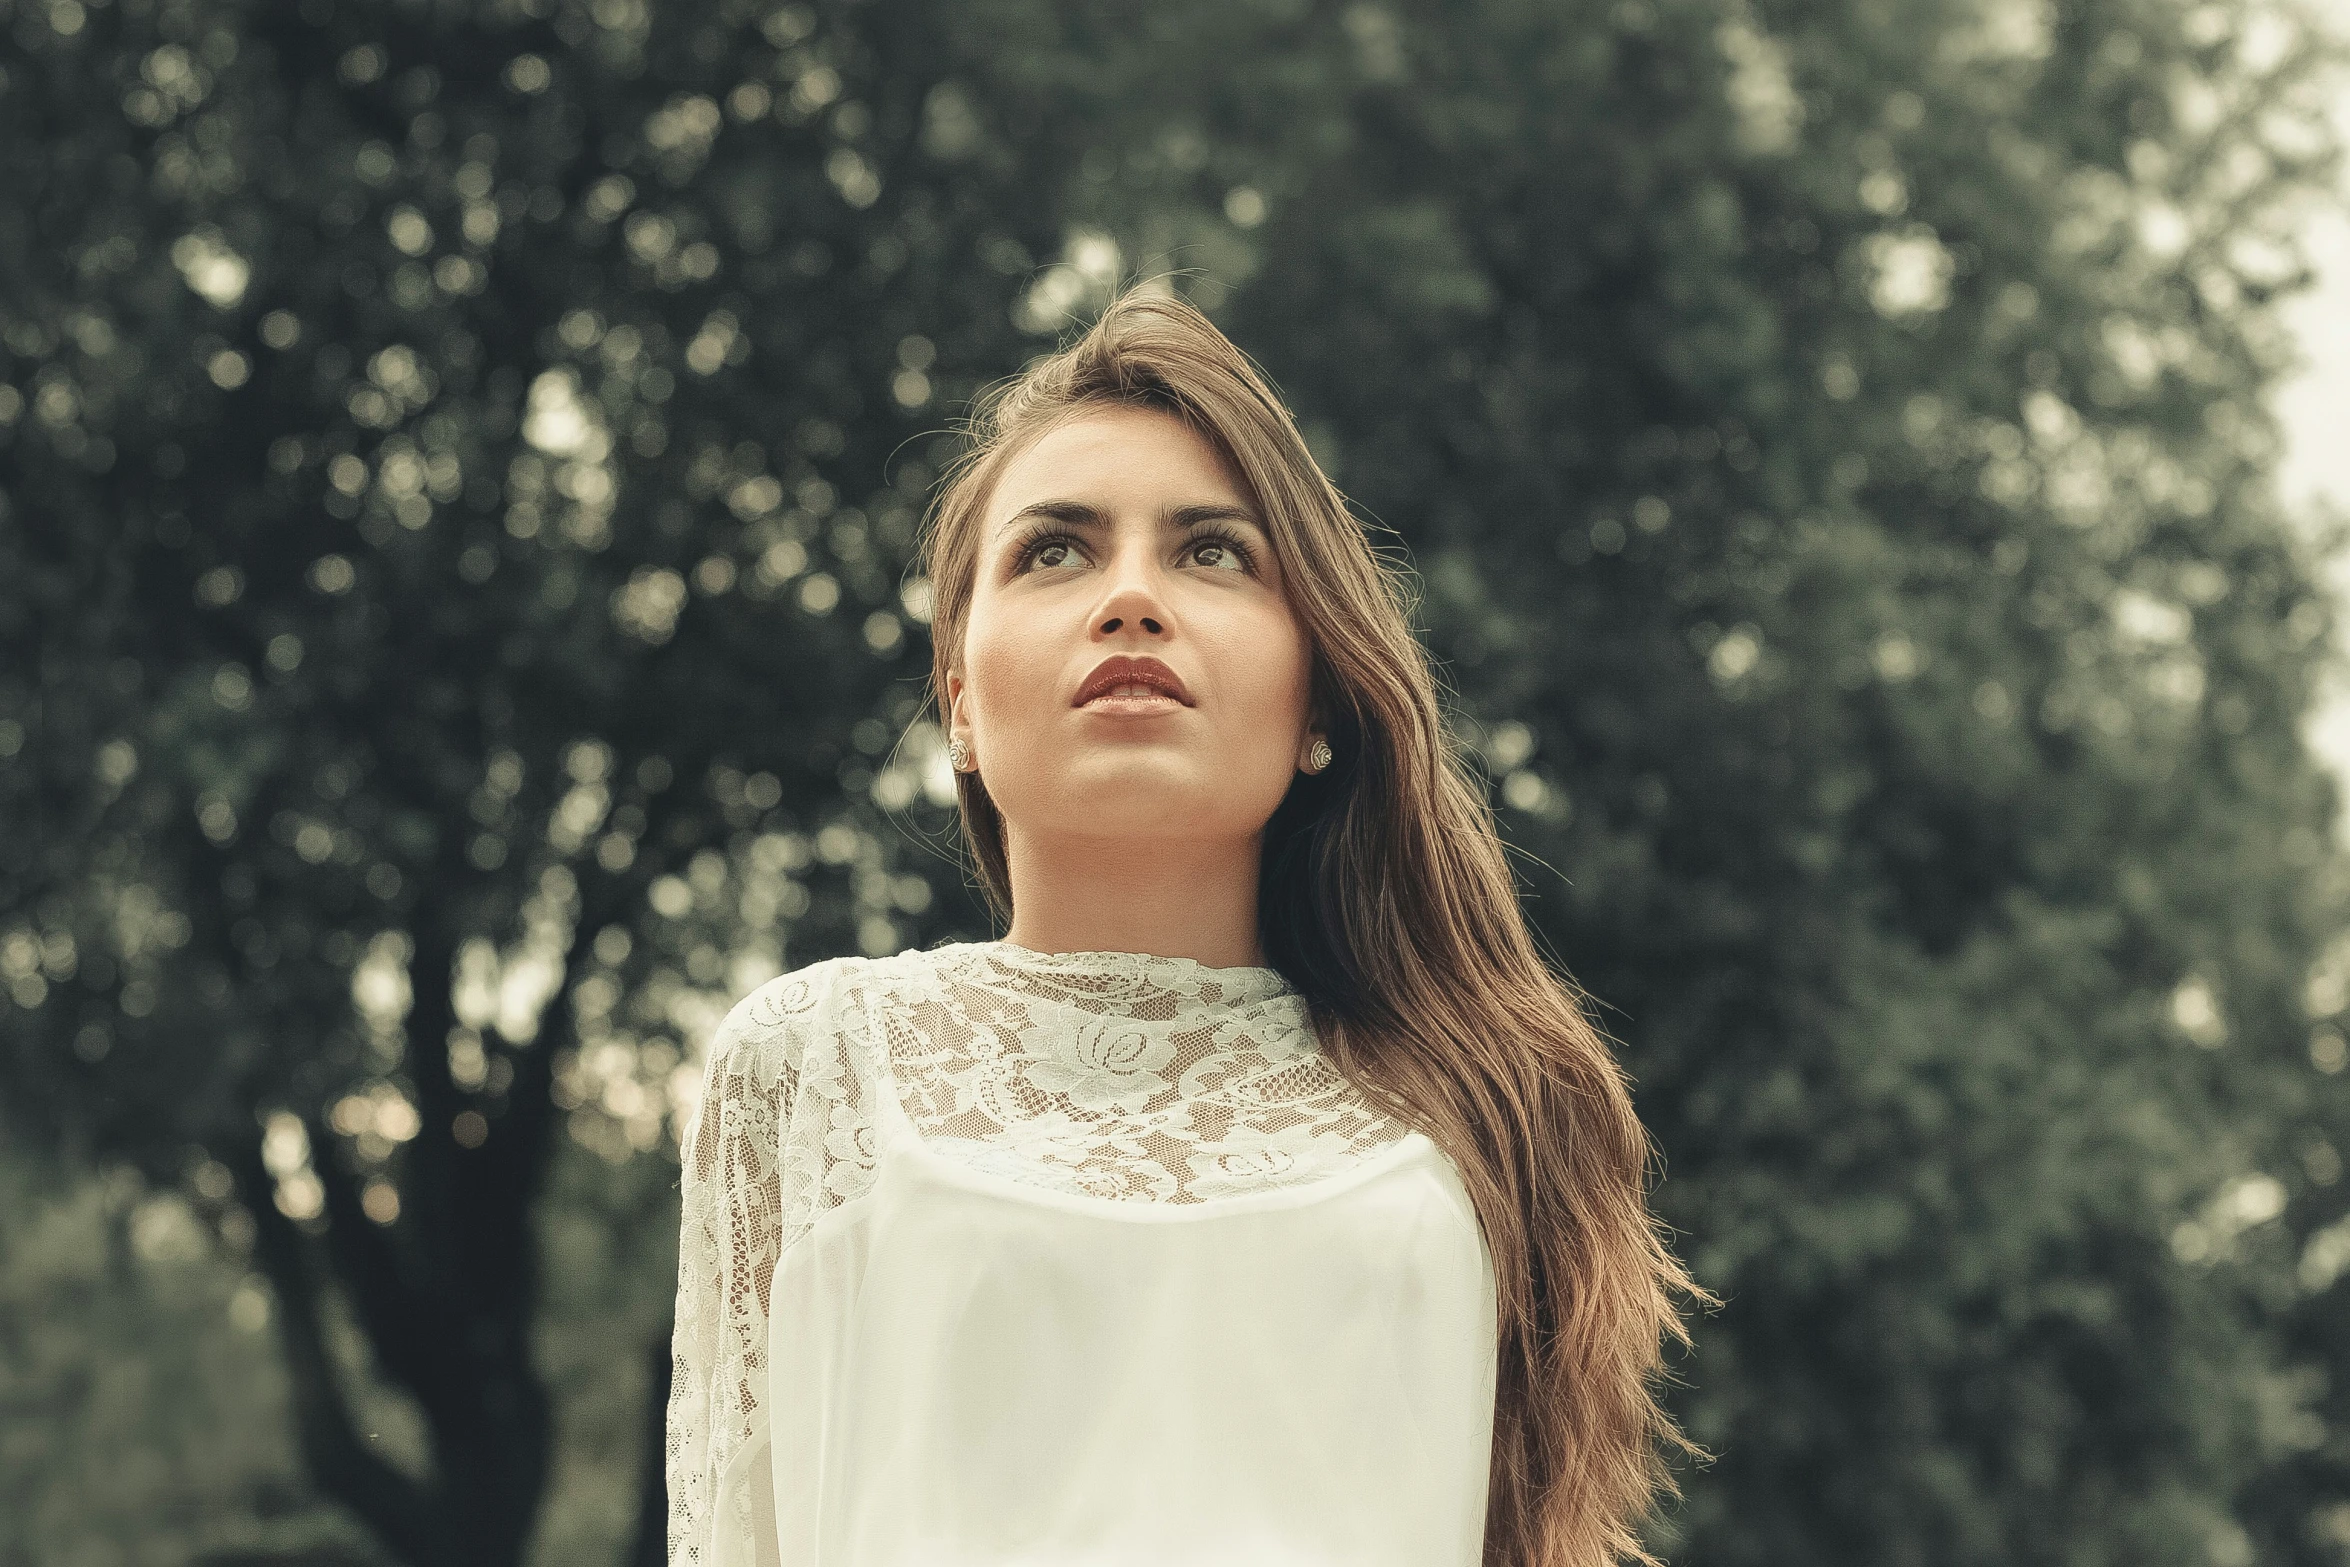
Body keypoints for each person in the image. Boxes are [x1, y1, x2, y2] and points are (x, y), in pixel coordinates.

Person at [666, 283, 1707, 1567]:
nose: (1131, 597)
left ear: (1319, 693)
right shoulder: (810, 1064)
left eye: (1212, 549)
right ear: (961, 713)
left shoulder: (1485, 1106)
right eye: (1054, 549)